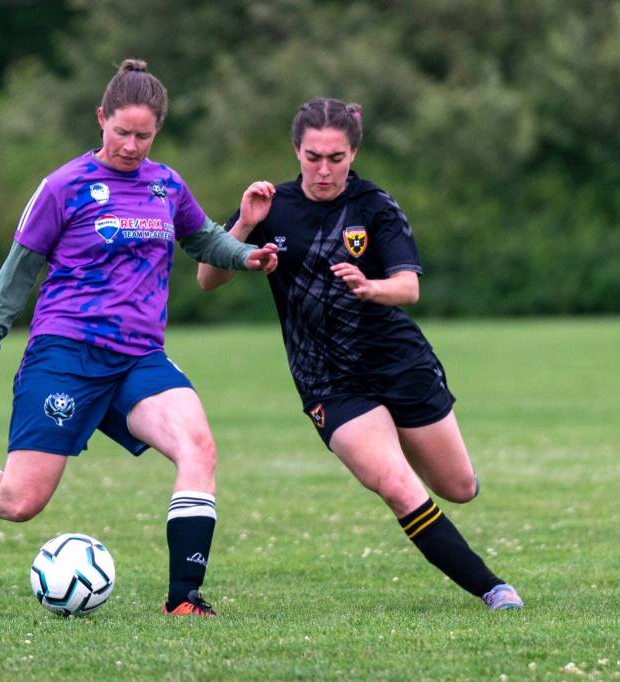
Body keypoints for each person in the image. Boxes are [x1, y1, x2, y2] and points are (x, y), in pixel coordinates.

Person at [0, 60, 279, 616]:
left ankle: (184, 600)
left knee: (198, 447)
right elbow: (17, 273)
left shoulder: (166, 185)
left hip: (138, 360)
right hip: (66, 356)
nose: (130, 145)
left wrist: (247, 253)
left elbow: (205, 242)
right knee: (20, 500)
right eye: (121, 131)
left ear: (157, 131)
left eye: (143, 135)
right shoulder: (64, 186)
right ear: (101, 119)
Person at [197, 97, 524, 610]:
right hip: (329, 381)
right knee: (396, 483)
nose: (323, 169)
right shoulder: (268, 205)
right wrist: (241, 228)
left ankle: (448, 472)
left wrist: (370, 287)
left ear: (353, 153)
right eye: (312, 157)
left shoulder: (374, 206)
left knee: (457, 487)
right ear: (295, 150)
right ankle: (493, 588)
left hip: (399, 362)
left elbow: (408, 289)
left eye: (336, 158)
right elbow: (206, 278)